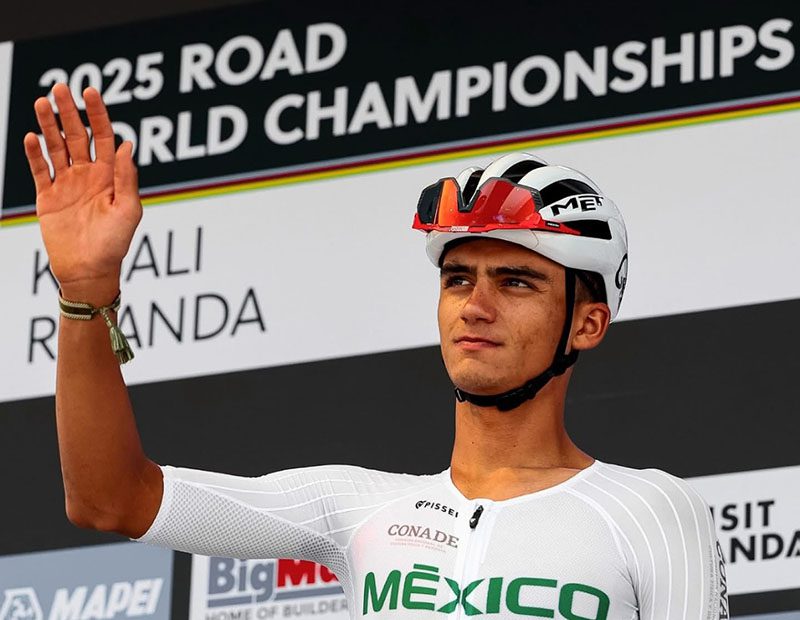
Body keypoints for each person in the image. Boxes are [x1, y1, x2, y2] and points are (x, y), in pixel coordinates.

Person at [25, 83, 728, 619]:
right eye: (458, 279)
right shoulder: (356, 506)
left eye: (517, 281)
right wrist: (86, 290)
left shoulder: (652, 510)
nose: (476, 305)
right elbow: (111, 500)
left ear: (588, 323)